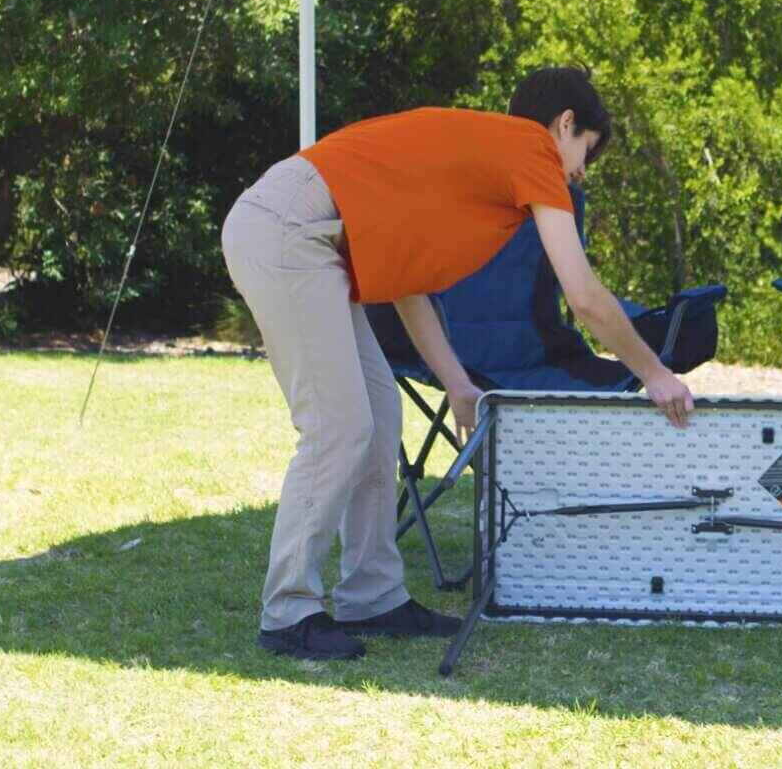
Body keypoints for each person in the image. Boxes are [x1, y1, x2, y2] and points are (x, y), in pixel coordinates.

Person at [220, 65, 696, 661]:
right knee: (338, 426)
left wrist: (458, 385)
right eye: (586, 153)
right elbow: (584, 296)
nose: (579, 172)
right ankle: (289, 612)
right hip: (290, 226)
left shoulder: (482, 168)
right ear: (565, 124)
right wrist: (654, 372)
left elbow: (407, 286)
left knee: (379, 414)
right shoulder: (529, 148)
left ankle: (373, 597)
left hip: (306, 232)